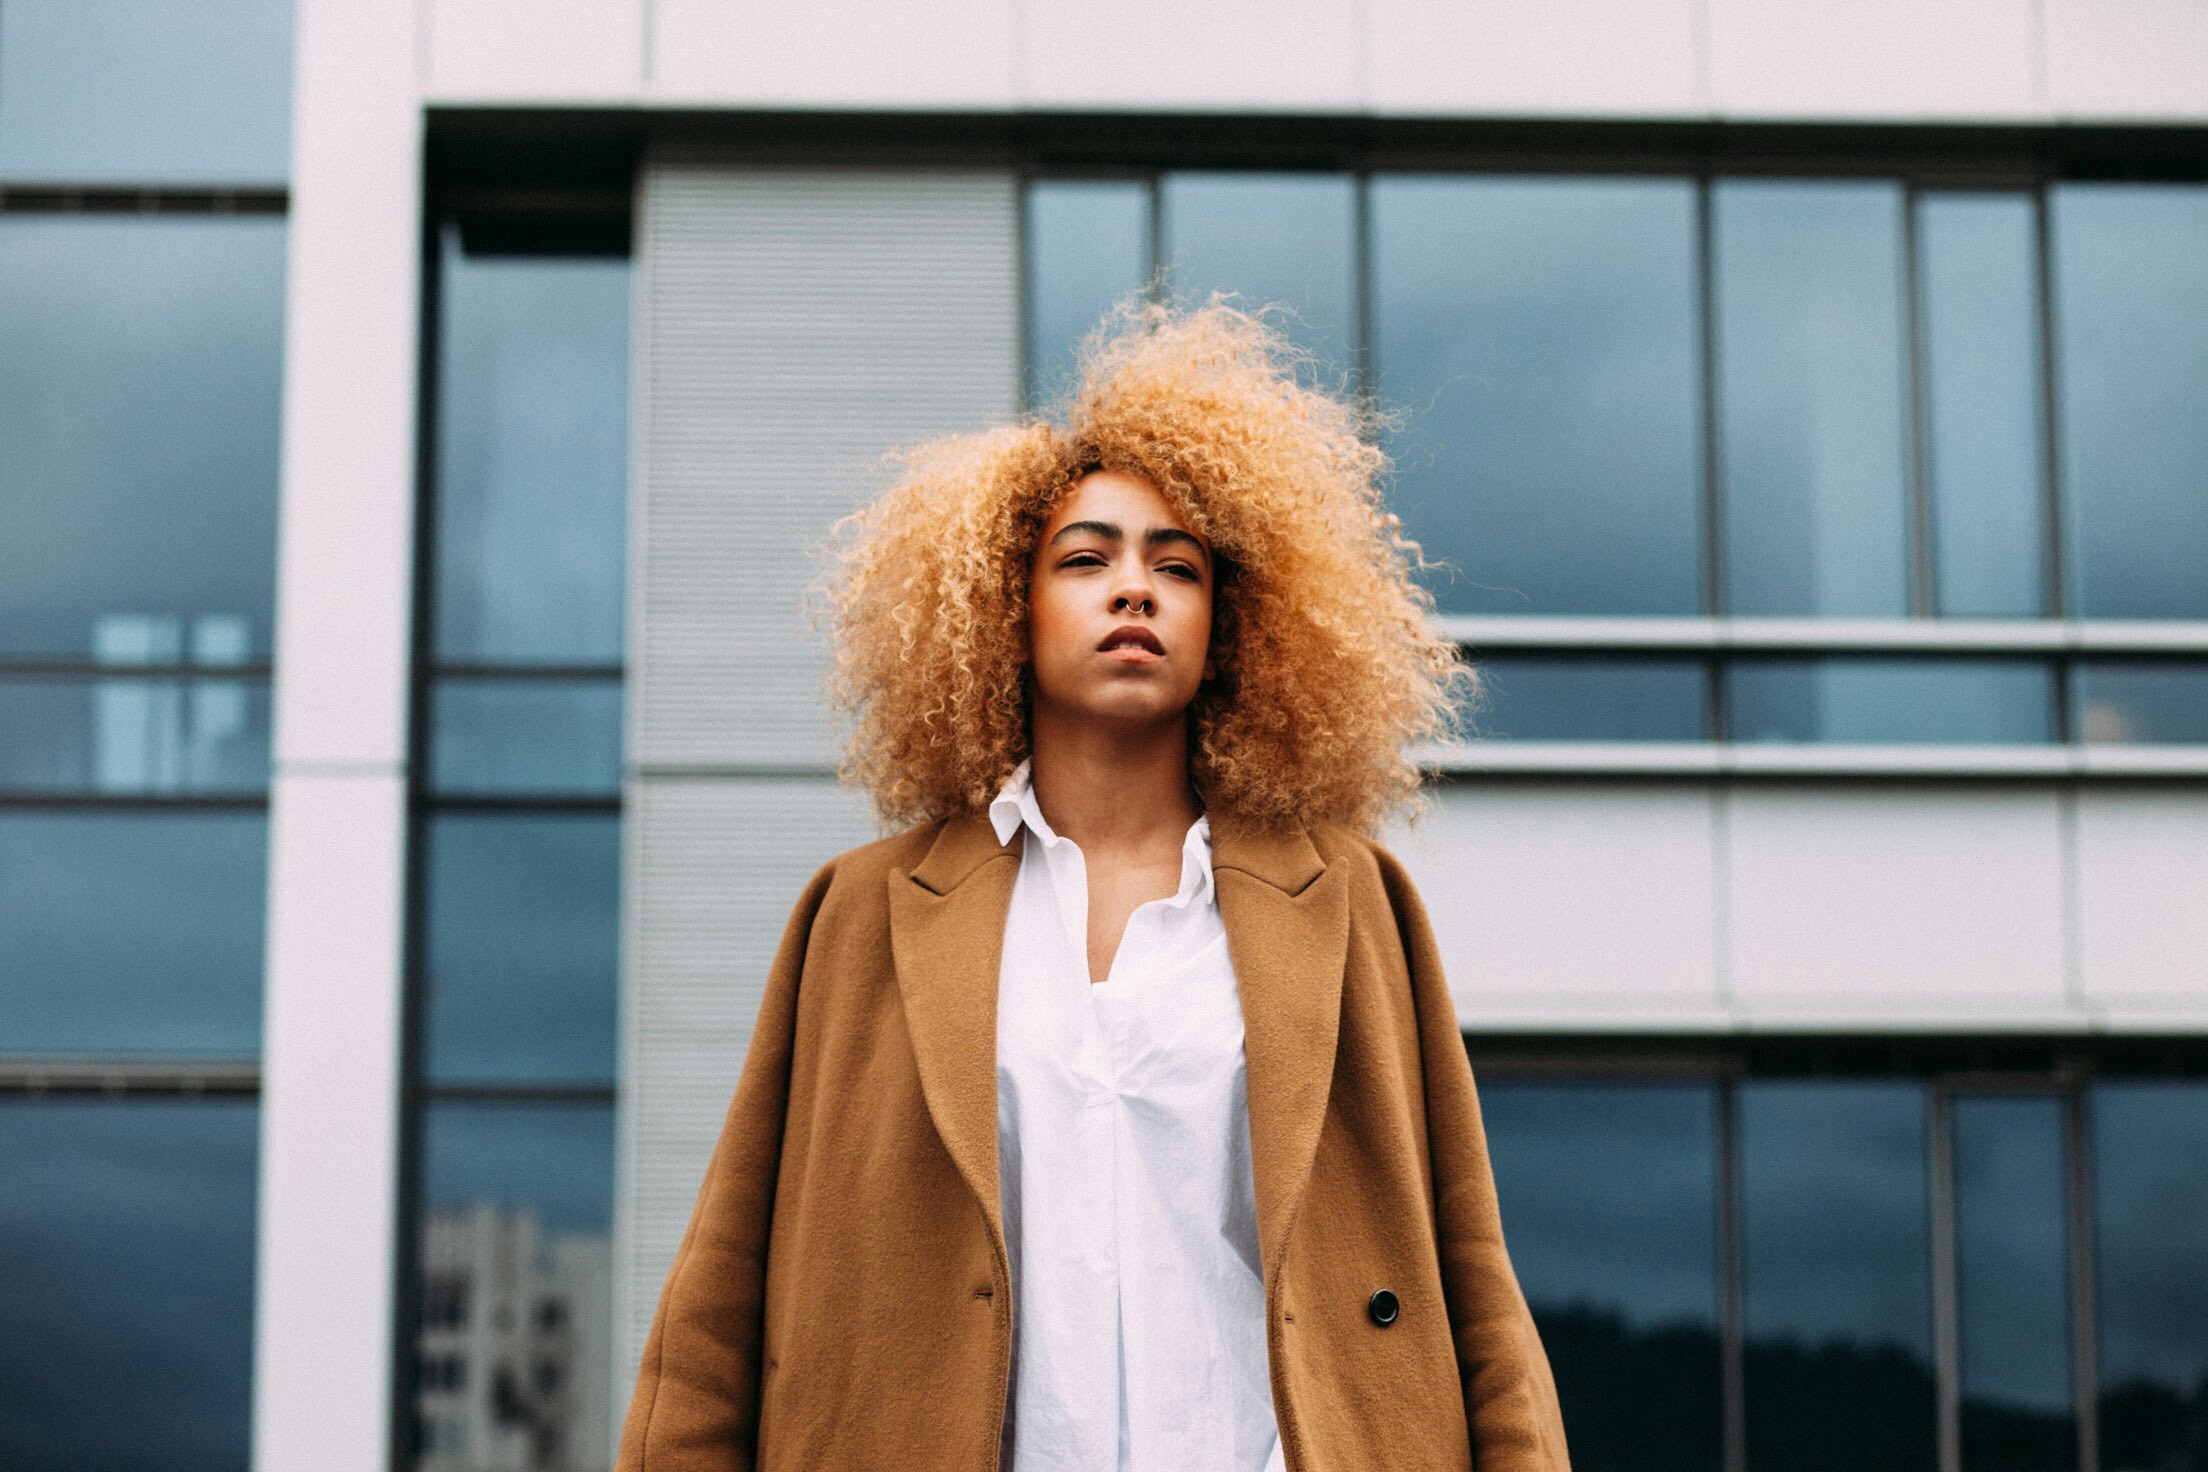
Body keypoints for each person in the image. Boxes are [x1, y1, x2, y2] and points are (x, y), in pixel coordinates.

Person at [613, 298, 1571, 1472]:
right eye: (1087, 558)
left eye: (1180, 566)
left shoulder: (1353, 901)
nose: (1137, 588)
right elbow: (717, 1311)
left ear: (1229, 629)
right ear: (1002, 612)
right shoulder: (858, 914)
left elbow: (1474, 1285)